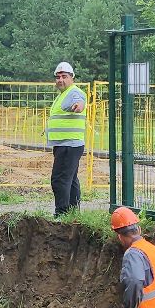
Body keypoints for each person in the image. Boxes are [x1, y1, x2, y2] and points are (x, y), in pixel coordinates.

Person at [47, 61, 87, 216]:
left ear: (72, 78)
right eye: (58, 77)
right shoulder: (62, 95)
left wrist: (79, 105)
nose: (60, 80)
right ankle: (73, 213)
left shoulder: (73, 92)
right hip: (67, 144)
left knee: (59, 180)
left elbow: (80, 100)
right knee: (71, 179)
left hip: (69, 145)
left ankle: (62, 214)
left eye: (64, 76)